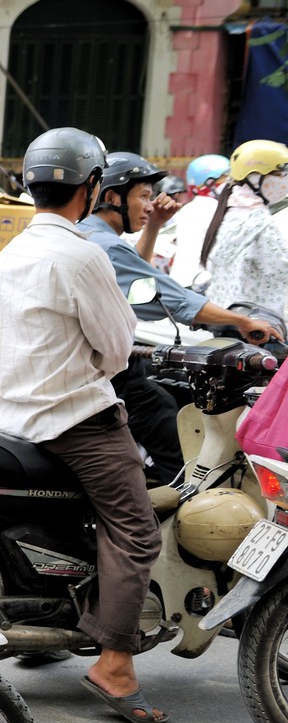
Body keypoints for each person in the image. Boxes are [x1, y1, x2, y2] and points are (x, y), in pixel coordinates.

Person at [0, 128, 166, 723]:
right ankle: (115, 664)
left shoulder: (11, 251)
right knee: (137, 531)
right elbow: (116, 349)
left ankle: (59, 628)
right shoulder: (82, 254)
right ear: (91, 187)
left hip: (13, 415)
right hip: (77, 421)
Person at [80, 150, 281, 485]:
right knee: (168, 430)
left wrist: (154, 226)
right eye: (144, 196)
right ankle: (178, 501)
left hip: (99, 364)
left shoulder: (89, 234)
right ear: (112, 197)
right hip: (107, 372)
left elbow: (136, 278)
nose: (150, 205)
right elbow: (170, 296)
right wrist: (243, 322)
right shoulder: (105, 243)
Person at [201, 140, 288, 317]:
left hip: (226, 318)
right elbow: (281, 269)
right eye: (279, 174)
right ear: (255, 178)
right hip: (257, 323)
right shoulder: (261, 223)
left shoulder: (230, 214)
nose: (284, 181)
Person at [168, 153, 229, 288]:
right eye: (225, 179)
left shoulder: (190, 208)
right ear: (208, 183)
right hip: (200, 284)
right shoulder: (212, 209)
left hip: (181, 282)